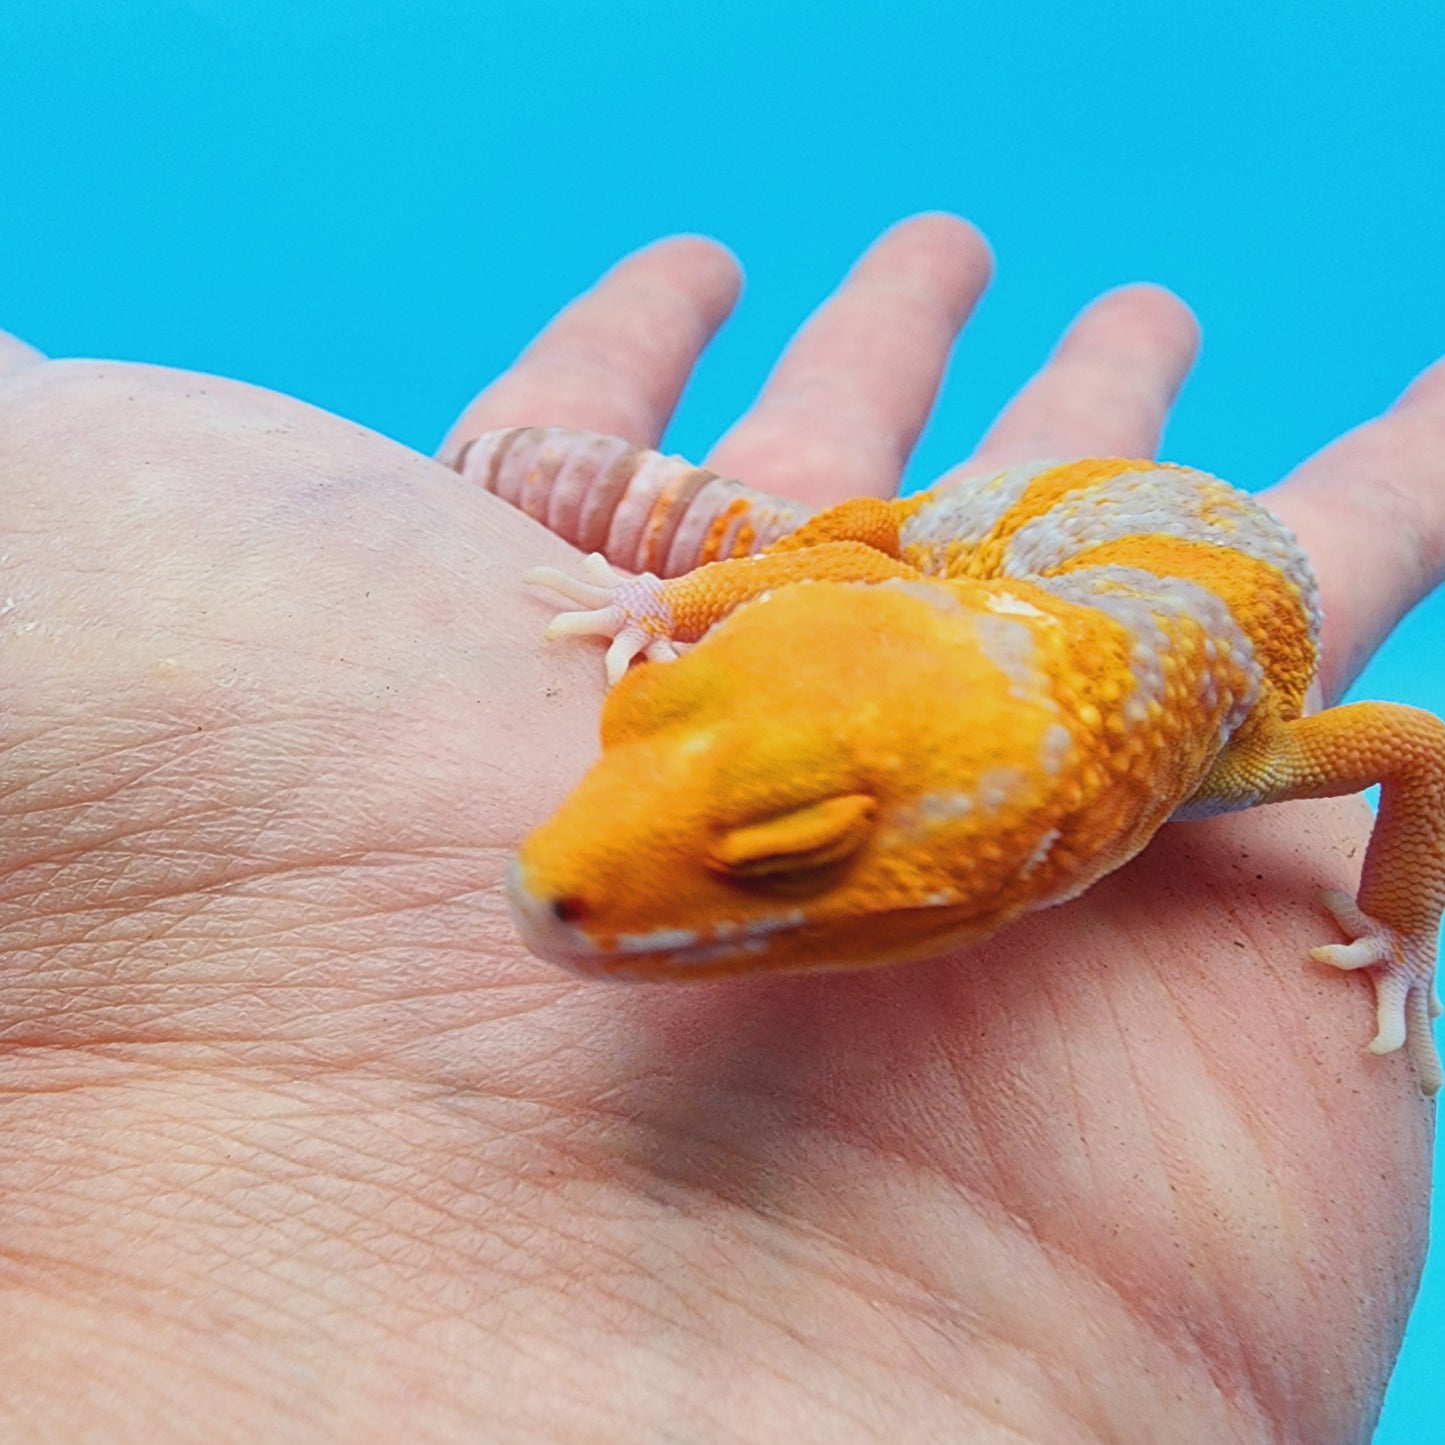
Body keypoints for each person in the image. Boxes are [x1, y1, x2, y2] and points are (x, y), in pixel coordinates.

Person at [0, 214, 1437, 1440]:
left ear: (1066, 825)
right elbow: (850, 557)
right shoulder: (952, 627)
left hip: (1065, 563)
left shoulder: (1231, 753)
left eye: (789, 850)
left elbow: (1418, 748)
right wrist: (667, 606)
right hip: (996, 554)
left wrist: (1401, 924)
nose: (546, 884)